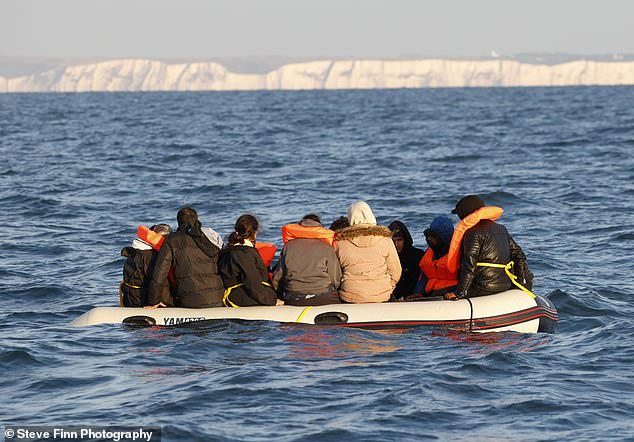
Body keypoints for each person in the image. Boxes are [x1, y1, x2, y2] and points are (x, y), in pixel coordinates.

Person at [444, 195, 533, 300]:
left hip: (484, 286)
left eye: (458, 213)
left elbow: (469, 263)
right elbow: (519, 255)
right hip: (505, 284)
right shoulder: (501, 228)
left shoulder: (473, 232)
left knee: (435, 293)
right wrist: (520, 282)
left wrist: (460, 292)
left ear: (464, 213)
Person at [147, 207, 225, 308]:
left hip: (190, 301)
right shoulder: (210, 237)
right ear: (196, 219)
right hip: (218, 298)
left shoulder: (172, 239)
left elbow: (160, 271)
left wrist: (153, 301)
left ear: (179, 222)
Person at [334, 201, 402, 303]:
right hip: (382, 294)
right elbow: (396, 270)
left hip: (350, 294)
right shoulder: (385, 239)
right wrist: (388, 287)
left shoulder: (340, 242)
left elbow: (335, 273)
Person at [272, 214, 342, 306]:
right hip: (324, 297)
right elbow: (336, 279)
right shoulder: (326, 247)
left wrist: (279, 296)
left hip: (294, 298)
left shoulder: (288, 247)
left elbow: (278, 278)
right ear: (319, 228)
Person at [217, 214, 280, 307]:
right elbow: (252, 282)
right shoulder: (245, 253)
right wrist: (272, 300)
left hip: (231, 293)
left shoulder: (227, 250)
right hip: (237, 297)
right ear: (254, 234)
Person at [120, 224, 172, 307]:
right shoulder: (149, 256)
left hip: (129, 296)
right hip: (141, 300)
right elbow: (157, 282)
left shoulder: (136, 250)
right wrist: (168, 302)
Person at [409, 216, 458, 299]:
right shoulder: (429, 253)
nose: (428, 239)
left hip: (450, 295)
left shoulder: (459, 254)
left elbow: (466, 279)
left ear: (442, 238)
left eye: (432, 236)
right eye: (428, 236)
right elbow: (424, 277)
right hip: (431, 294)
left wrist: (451, 291)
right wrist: (418, 292)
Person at [388, 220, 425, 300]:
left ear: (405, 240)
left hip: (415, 298)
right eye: (393, 241)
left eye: (399, 240)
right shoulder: (384, 258)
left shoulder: (418, 255)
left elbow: (424, 278)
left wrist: (418, 292)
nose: (396, 244)